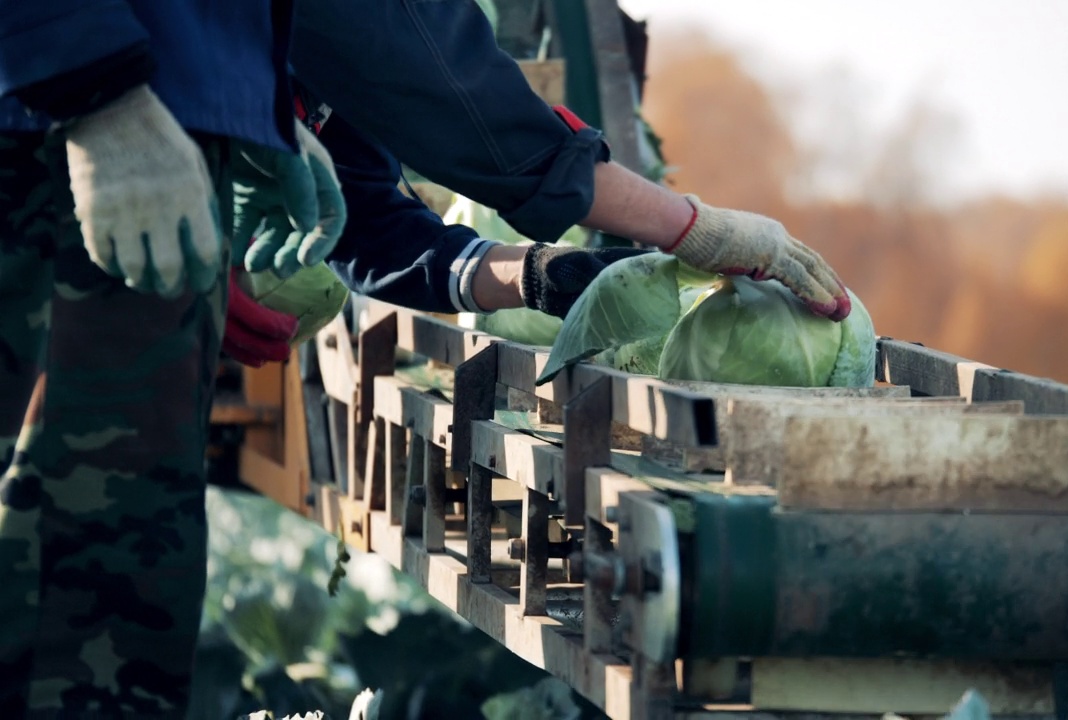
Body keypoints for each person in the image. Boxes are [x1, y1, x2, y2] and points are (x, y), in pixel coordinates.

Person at [0, 1, 346, 715]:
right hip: (51, 120)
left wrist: (245, 98)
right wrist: (96, 90)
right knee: (80, 623)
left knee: (108, 601)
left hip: (128, 104)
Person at [222, 0, 852, 367]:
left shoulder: (325, 88)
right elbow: (462, 106)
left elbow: (368, 231)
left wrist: (535, 274)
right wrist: (693, 227)